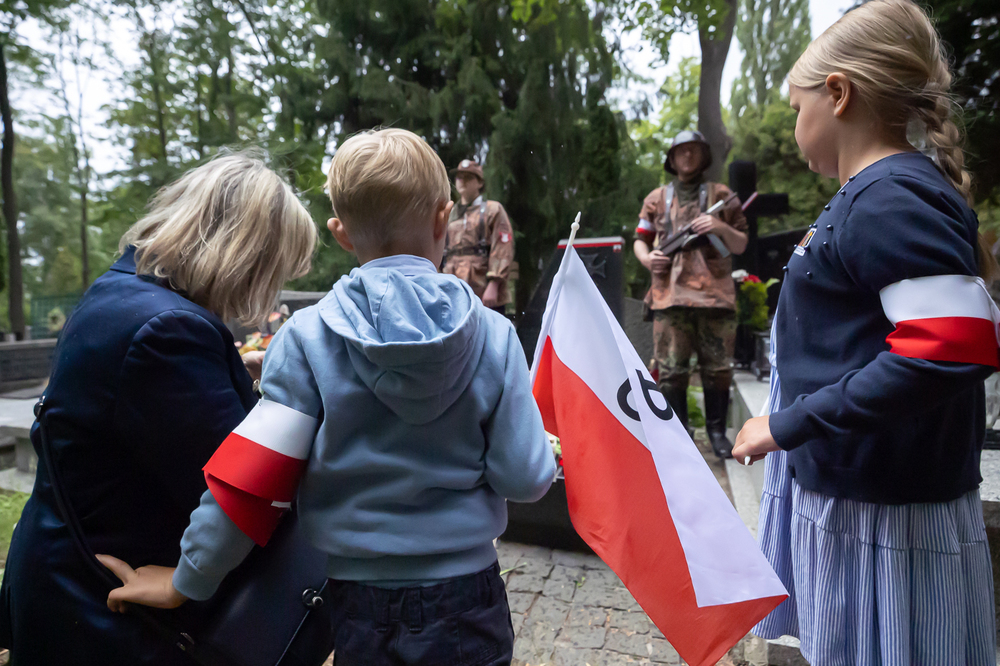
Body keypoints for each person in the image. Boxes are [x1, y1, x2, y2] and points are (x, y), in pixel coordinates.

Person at [98, 128, 557, 666]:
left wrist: (187, 578)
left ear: (340, 233)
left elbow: (252, 481)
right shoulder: (494, 335)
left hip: (358, 606)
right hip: (468, 600)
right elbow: (526, 479)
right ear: (443, 219)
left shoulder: (305, 337)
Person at [732, 2, 999, 663]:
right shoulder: (876, 193)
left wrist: (789, 423)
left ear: (838, 93)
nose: (794, 124)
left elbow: (953, 345)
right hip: (862, 498)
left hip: (884, 515)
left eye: (796, 107)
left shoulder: (891, 195)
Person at [0, 152, 317, 665]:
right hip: (107, 612)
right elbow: (244, 489)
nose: (269, 287)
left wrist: (230, 374)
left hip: (66, 580)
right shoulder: (169, 332)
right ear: (247, 254)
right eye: (274, 268)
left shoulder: (120, 290)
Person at [633, 131, 748, 458]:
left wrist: (718, 227)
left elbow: (740, 243)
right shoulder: (657, 198)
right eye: (681, 151)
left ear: (704, 156)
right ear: (671, 158)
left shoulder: (722, 195)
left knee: (718, 368)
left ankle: (716, 433)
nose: (687, 155)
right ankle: (679, 437)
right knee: (671, 370)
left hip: (714, 295)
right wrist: (647, 258)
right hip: (669, 295)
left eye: (694, 150)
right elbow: (641, 239)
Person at [442, 158, 515, 313]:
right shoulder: (450, 214)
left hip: (483, 289)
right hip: (453, 290)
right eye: (459, 177)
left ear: (480, 183)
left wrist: (494, 283)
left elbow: (503, 246)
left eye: (469, 177)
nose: (463, 181)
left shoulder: (492, 210)